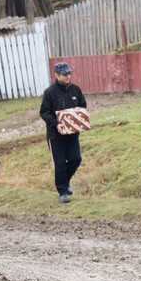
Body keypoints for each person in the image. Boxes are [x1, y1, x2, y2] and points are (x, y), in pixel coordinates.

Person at [40, 61, 88, 203]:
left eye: (69, 73)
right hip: (56, 136)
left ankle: (65, 181)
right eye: (64, 74)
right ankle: (62, 191)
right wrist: (56, 124)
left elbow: (82, 106)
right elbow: (44, 112)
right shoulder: (49, 92)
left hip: (72, 134)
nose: (68, 76)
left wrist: (80, 119)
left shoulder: (76, 90)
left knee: (76, 159)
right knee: (59, 164)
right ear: (57, 75)